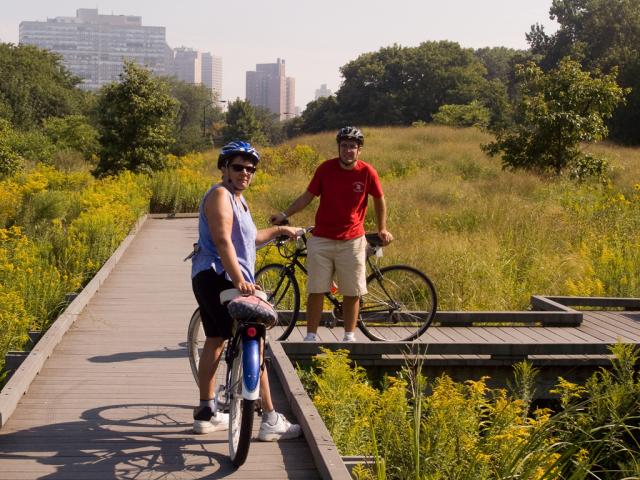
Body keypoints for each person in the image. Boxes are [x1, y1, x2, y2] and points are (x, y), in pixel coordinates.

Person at [191, 140, 302, 440]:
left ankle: (208, 412)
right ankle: (268, 417)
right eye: (238, 167)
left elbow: (249, 239)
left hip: (229, 277)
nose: (245, 173)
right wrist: (239, 279)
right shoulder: (219, 196)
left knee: (223, 337)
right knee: (228, 337)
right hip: (217, 276)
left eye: (250, 169)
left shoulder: (239, 201)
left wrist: (280, 230)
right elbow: (223, 240)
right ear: (224, 168)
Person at [270, 126, 393, 342]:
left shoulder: (367, 172)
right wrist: (284, 213)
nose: (348, 151)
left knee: (351, 290)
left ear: (359, 150)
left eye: (352, 147)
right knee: (316, 289)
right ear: (339, 148)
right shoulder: (325, 169)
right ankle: (310, 336)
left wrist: (382, 228)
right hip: (322, 239)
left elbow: (379, 199)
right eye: (344, 146)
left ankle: (349, 335)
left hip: (352, 240)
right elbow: (307, 196)